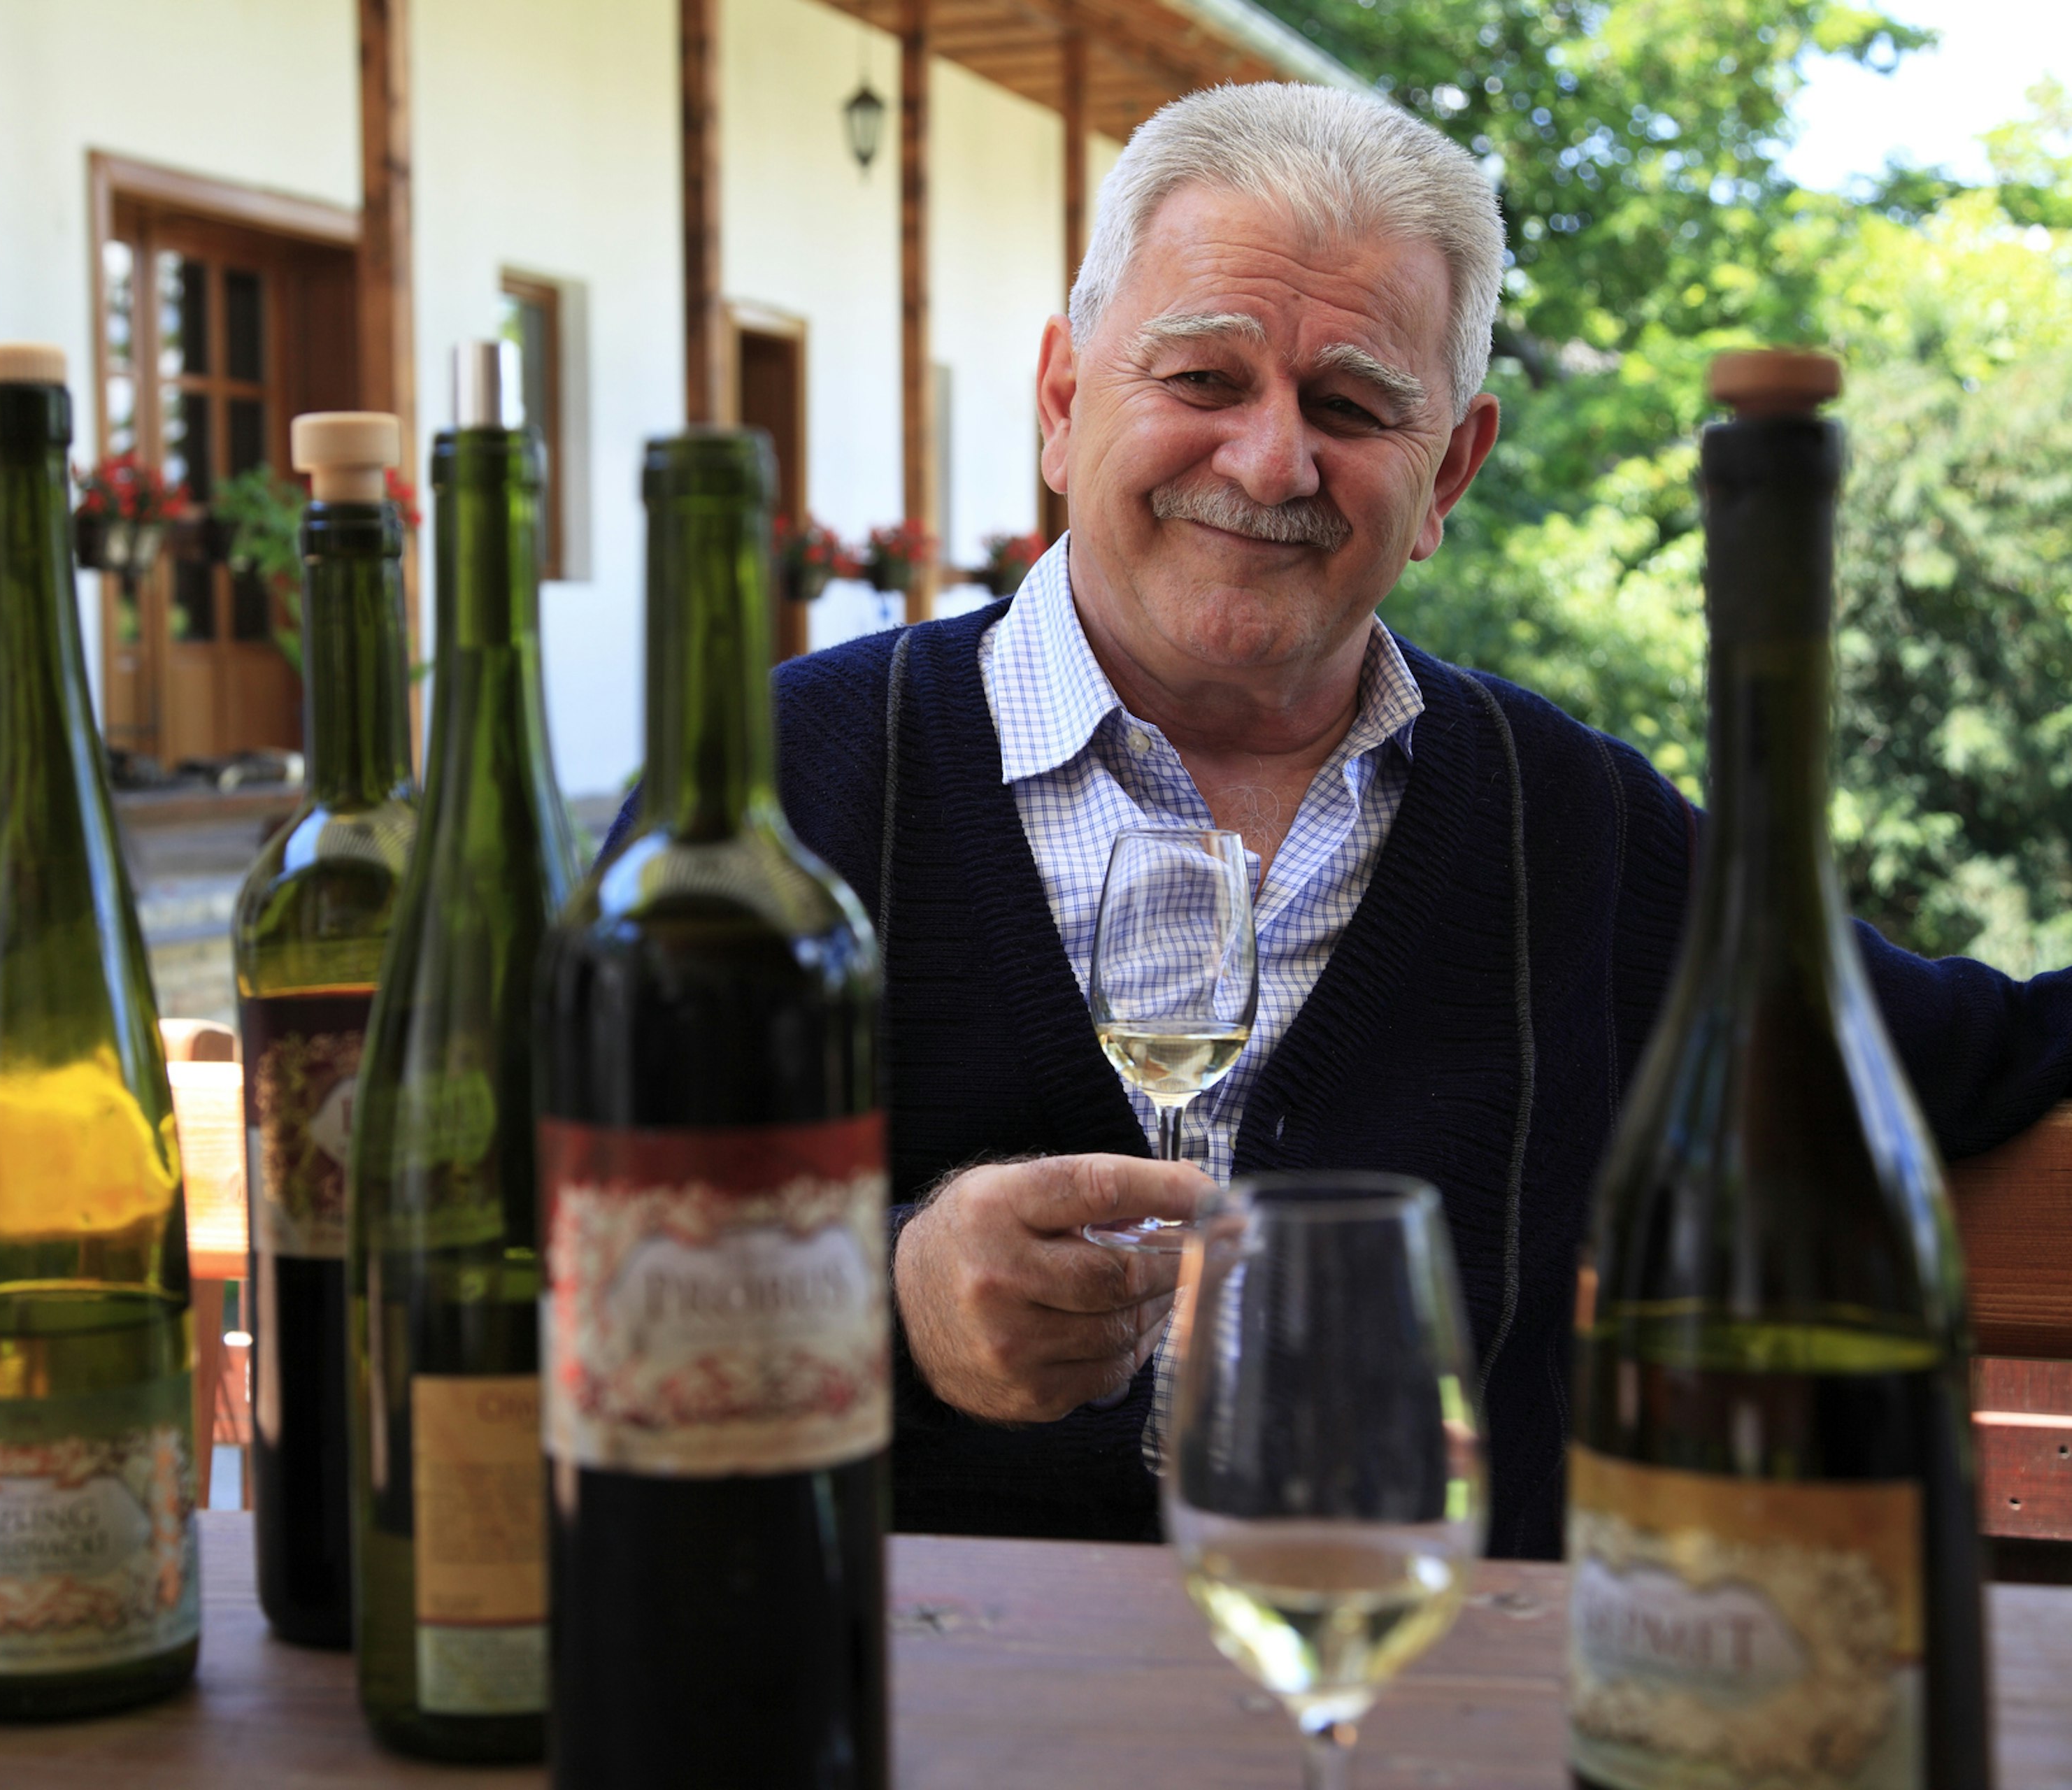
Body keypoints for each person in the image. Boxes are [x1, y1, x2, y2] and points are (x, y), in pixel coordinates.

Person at [768, 82, 2072, 1559]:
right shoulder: (780, 792)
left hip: (1432, 1712)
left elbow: (1980, 1052)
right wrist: (885, 1293)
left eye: (1352, 406)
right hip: (909, 1717)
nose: (1271, 463)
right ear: (1066, 402)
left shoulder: (1568, 828)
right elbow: (535, 1269)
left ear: (1449, 467)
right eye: (1204, 379)